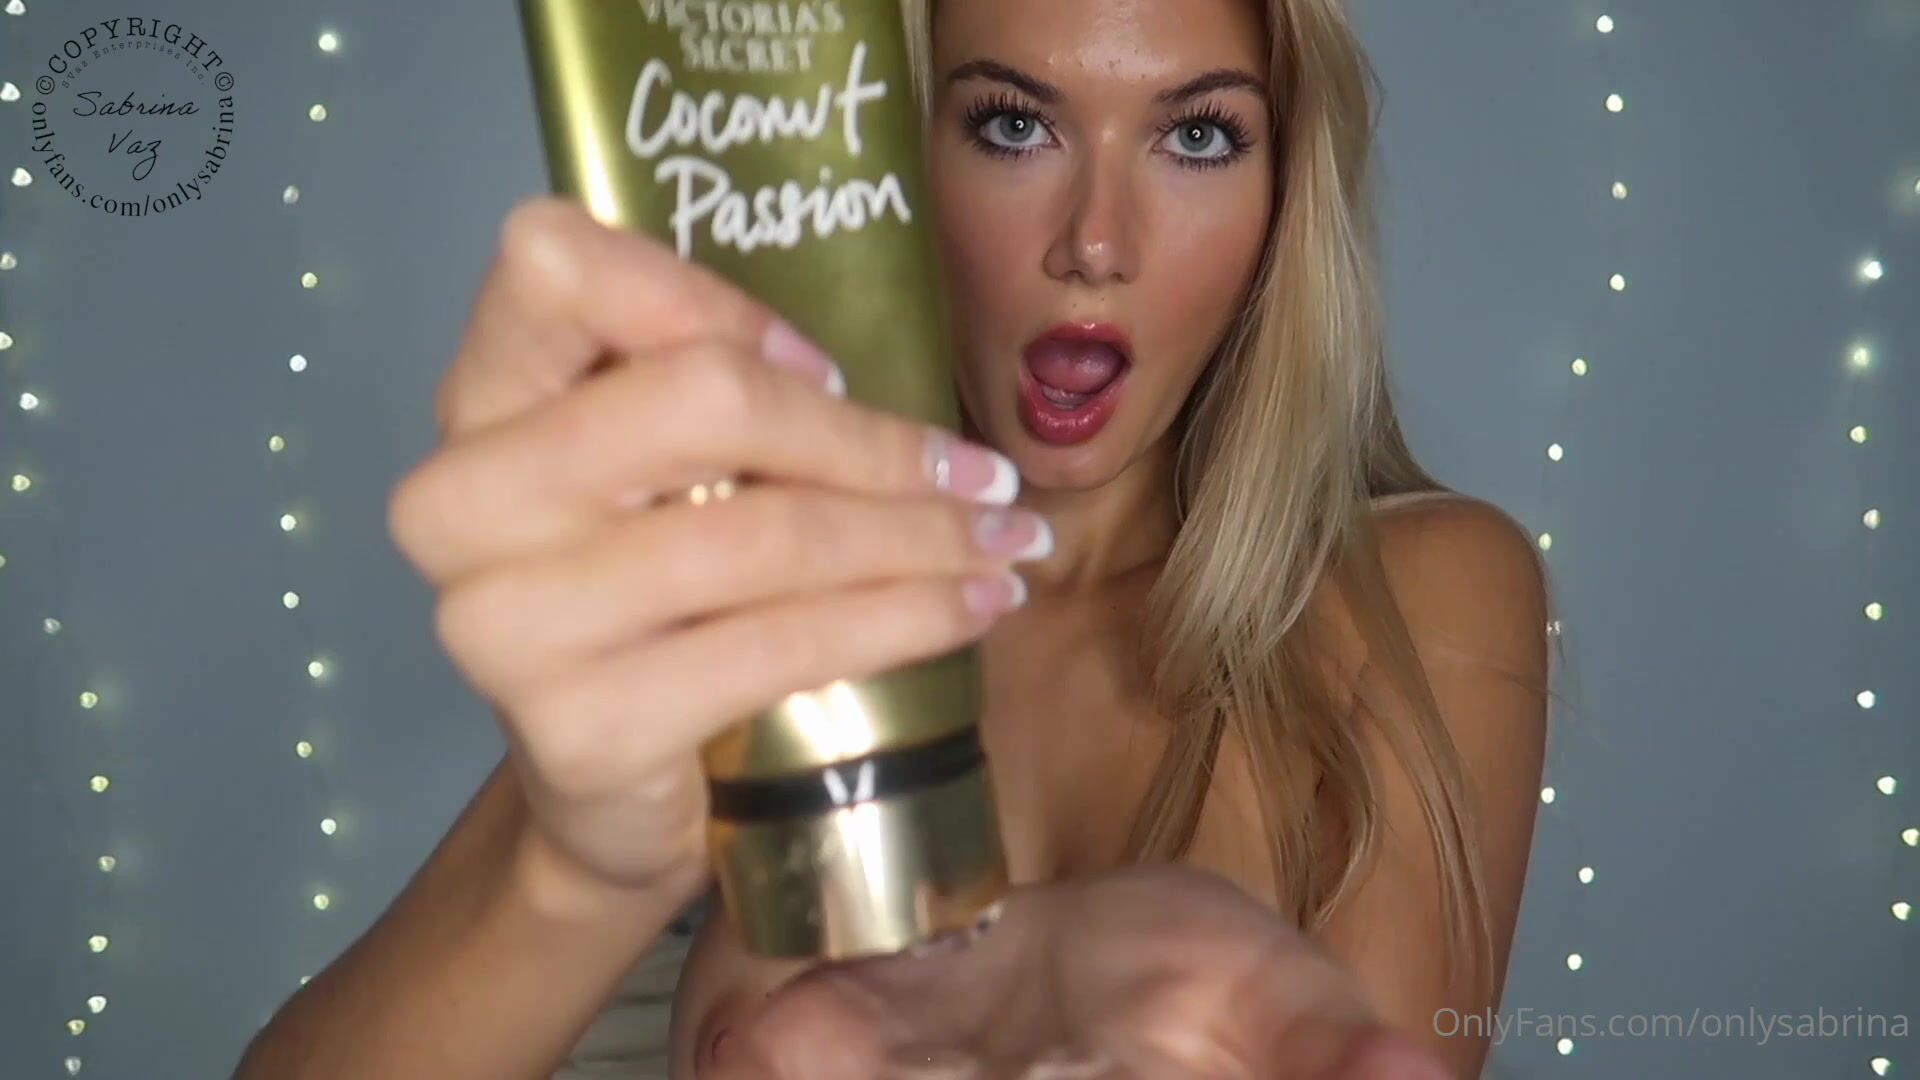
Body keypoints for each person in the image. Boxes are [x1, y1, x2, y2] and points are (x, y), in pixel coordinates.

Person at [234, 0, 1550, 1076]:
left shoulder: (1418, 595)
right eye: (1013, 124)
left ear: (1285, 196)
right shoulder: (770, 566)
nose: (1096, 243)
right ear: (900, 157)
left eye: (1197, 136)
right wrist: (577, 871)